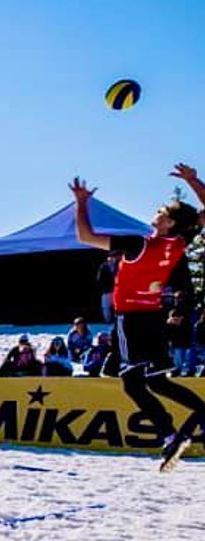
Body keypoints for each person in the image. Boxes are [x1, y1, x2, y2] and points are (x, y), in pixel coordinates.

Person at [73, 167, 205, 470]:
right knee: (157, 381)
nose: (155, 213)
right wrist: (192, 181)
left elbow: (85, 236)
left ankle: (169, 434)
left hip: (131, 318)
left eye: (161, 212)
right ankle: (193, 417)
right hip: (154, 317)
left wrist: (81, 203)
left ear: (169, 222)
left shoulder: (138, 244)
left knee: (132, 384)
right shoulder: (180, 241)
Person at [167, 290, 195, 377]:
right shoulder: (173, 310)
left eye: (178, 298)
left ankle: (191, 370)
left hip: (186, 335)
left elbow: (180, 321)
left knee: (188, 354)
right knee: (177, 354)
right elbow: (169, 322)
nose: (176, 299)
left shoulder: (188, 309)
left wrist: (174, 320)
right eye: (175, 298)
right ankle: (177, 370)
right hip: (176, 336)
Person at [97, 252, 119, 324]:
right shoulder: (103, 266)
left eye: (113, 257)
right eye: (110, 257)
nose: (112, 259)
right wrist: (106, 286)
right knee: (106, 307)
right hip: (107, 290)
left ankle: (117, 322)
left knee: (117, 307)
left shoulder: (119, 265)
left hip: (117, 290)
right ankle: (108, 321)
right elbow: (99, 279)